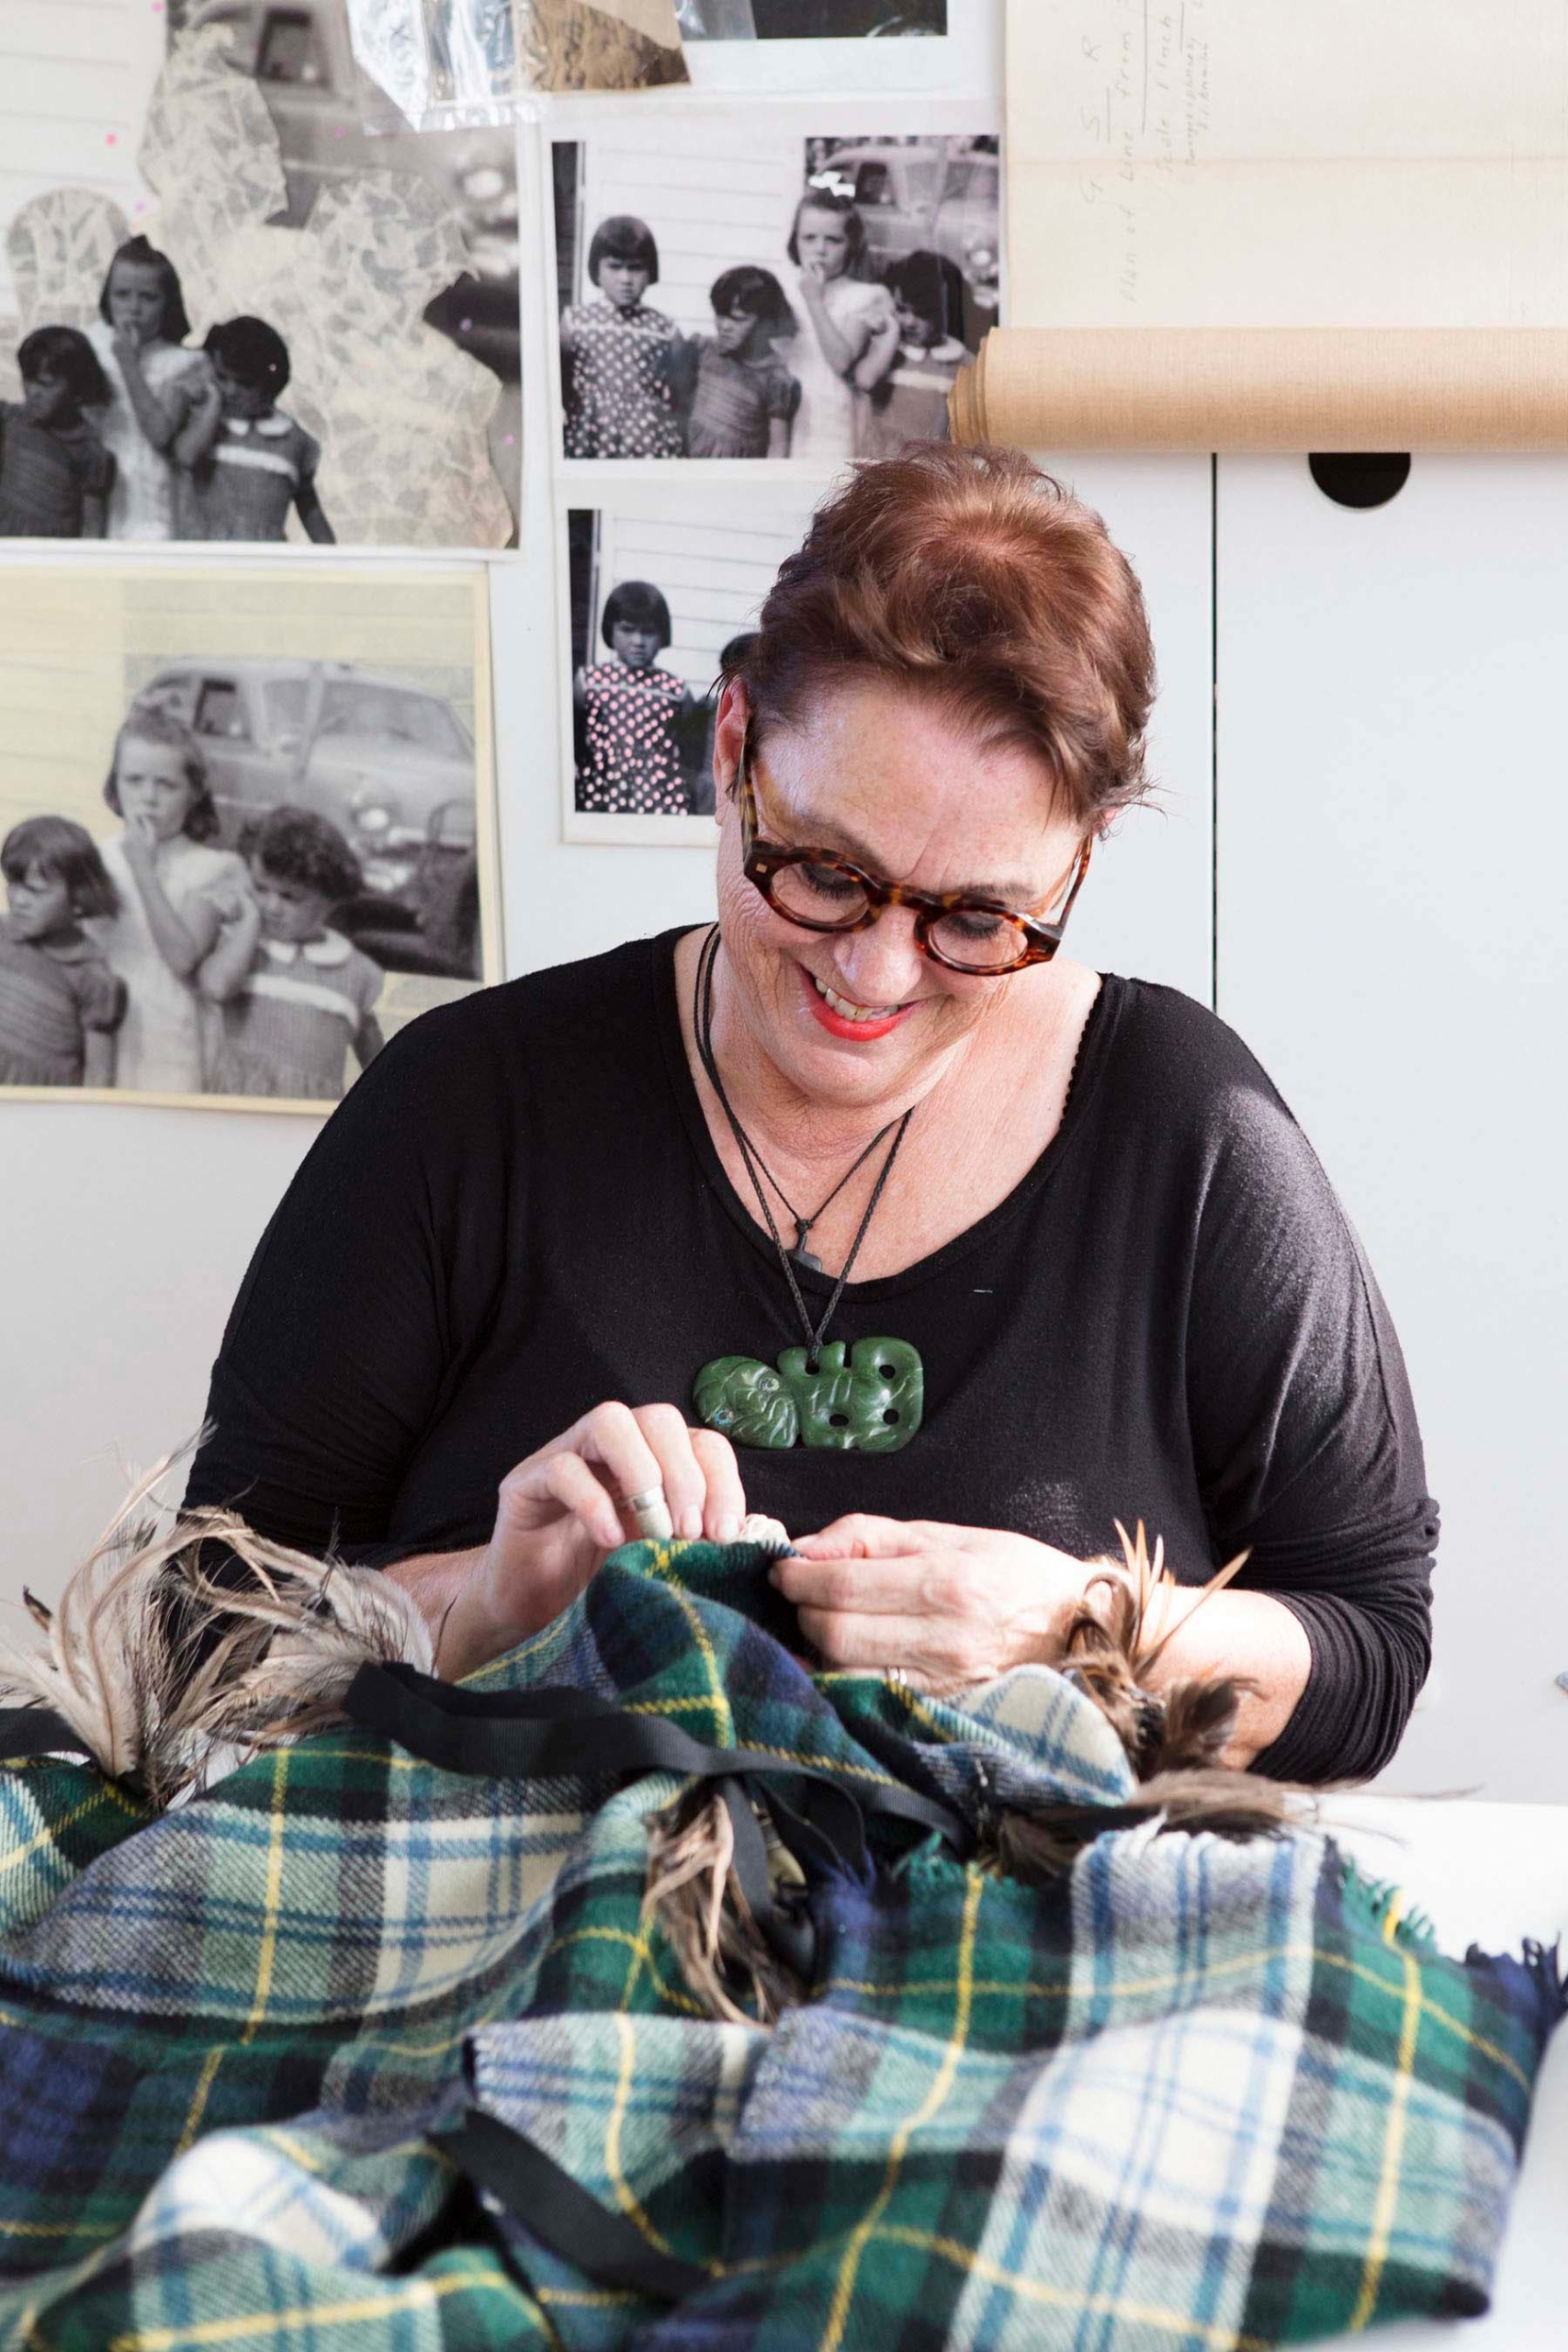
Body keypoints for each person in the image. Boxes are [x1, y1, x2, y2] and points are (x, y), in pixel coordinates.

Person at [186, 445, 1438, 1788]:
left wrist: (1080, 1629)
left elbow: (1366, 1654)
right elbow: (191, 1633)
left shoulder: (1183, 1129)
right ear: (733, 749)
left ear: (1076, 860)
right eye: (824, 875)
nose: (874, 975)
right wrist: (483, 1602)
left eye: (974, 918)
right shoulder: (464, 1112)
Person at [92, 707, 251, 1093]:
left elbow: (182, 958)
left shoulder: (213, 867)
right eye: (134, 781)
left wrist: (144, 870)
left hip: (169, 1032)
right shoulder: (98, 857)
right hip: (101, 1024)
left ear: (193, 792)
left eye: (166, 784)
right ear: (116, 784)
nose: (148, 797)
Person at [200, 806, 383, 1100]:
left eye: (290, 897)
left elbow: (382, 1062)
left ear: (329, 900)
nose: (271, 906)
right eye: (261, 888)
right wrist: (248, 921)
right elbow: (216, 986)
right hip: (235, 1112)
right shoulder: (240, 948)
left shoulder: (358, 972)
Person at [85, 237, 211, 541]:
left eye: (148, 297)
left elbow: (161, 436)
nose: (133, 308)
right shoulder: (90, 344)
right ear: (107, 297)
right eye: (122, 295)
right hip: (97, 491)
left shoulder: (185, 363)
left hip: (155, 495)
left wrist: (129, 364)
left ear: (169, 303)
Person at [175, 317, 334, 544]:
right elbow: (185, 457)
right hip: (205, 554)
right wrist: (210, 408)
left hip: (264, 559)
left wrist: (331, 556)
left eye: (245, 384)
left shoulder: (293, 440)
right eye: (221, 377)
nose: (230, 391)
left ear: (271, 385)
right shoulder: (203, 427)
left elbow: (308, 504)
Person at [0, 817, 126, 1086]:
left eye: (35, 890)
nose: (18, 900)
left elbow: (99, 1075)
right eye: (13, 884)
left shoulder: (92, 976)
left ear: (79, 896)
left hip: (44, 1109)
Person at [782, 188, 900, 462]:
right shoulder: (785, 288)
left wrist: (813, 299)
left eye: (833, 240)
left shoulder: (867, 296)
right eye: (809, 238)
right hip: (785, 413)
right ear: (795, 239)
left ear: (852, 245)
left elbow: (841, 361)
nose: (819, 249)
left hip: (833, 419)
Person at [559, 215, 684, 460]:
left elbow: (681, 393)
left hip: (648, 442)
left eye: (636, 268)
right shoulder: (576, 322)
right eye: (615, 267)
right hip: (589, 434)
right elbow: (561, 384)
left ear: (650, 272)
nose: (626, 279)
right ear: (597, 269)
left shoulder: (665, 330)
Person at [574, 579, 696, 816]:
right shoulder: (589, 682)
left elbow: (692, 750)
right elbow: (575, 741)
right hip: (601, 793)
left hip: (660, 800)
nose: (638, 642)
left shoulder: (676, 691)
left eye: (649, 633)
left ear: (662, 635)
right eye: (627, 629)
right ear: (610, 629)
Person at [0, 327, 114, 538]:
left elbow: (92, 527)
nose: (33, 392)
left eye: (47, 384)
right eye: (28, 380)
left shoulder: (89, 451)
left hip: (52, 554)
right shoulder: (10, 420)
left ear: (77, 388)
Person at [677, 266, 801, 459]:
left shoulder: (775, 379)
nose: (724, 326)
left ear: (764, 323)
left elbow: (778, 446)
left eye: (738, 319)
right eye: (720, 315)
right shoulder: (703, 351)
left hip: (739, 475)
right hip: (691, 465)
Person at [863, 249, 969, 456]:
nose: (910, 321)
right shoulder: (882, 354)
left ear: (948, 310)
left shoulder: (965, 363)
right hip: (880, 464)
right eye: (902, 309)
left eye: (923, 313)